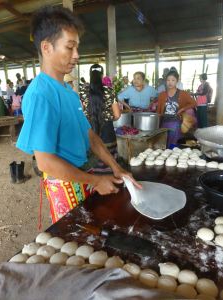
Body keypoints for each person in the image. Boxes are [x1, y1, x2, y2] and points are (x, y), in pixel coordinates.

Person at [16, 6, 141, 223]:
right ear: (46, 48)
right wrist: (95, 181)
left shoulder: (67, 91)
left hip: (82, 174)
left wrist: (115, 167)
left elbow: (90, 135)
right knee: (76, 235)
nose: (77, 55)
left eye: (77, 48)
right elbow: (45, 162)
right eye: (70, 47)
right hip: (63, 183)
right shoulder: (40, 94)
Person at [80, 64, 121, 172]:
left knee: (92, 165)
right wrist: (107, 117)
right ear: (102, 75)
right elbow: (117, 115)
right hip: (108, 132)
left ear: (90, 75)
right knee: (110, 164)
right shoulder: (110, 90)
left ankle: (95, 185)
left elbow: (80, 114)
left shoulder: (83, 91)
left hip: (89, 131)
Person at [157, 70, 196, 148]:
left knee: (173, 145)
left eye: (173, 80)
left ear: (177, 81)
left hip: (175, 121)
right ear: (165, 81)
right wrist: (157, 122)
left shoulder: (183, 93)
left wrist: (183, 109)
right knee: (163, 143)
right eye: (168, 80)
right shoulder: (162, 95)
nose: (170, 82)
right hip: (164, 122)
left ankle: (172, 152)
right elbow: (159, 111)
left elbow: (194, 103)